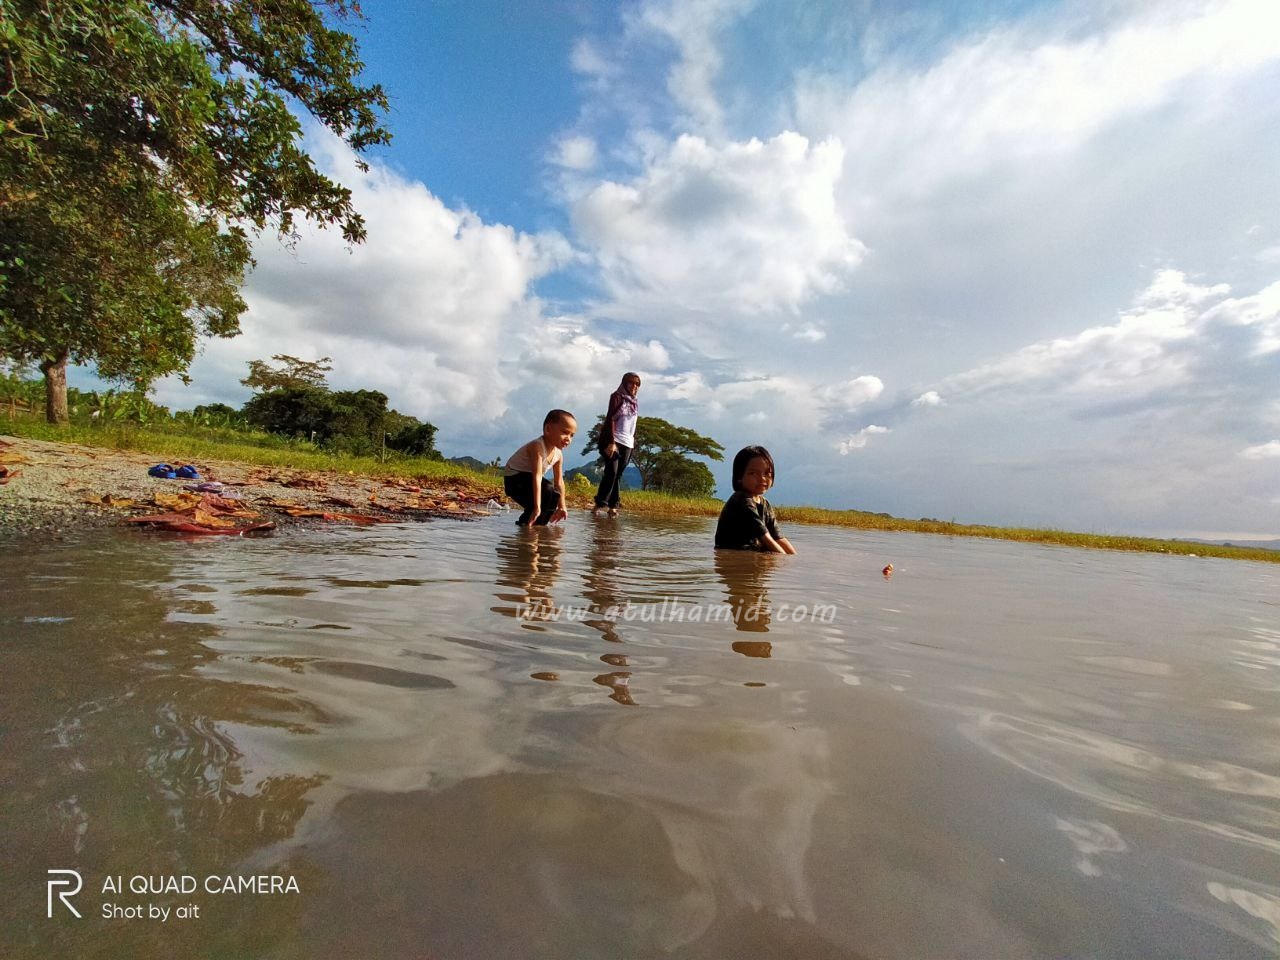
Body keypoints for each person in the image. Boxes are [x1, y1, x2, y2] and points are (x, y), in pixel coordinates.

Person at [714, 445, 797, 554]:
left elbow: (778, 538)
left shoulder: (765, 504)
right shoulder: (742, 501)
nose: (762, 478)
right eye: (753, 473)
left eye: (767, 473)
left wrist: (794, 559)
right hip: (735, 556)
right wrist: (783, 560)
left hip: (751, 554)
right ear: (740, 477)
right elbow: (766, 539)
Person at [504, 409, 576, 526]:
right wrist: (537, 507)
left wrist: (562, 506)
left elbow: (559, 482)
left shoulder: (558, 454)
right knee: (547, 489)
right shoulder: (537, 446)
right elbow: (537, 477)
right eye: (565, 432)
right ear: (548, 429)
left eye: (572, 435)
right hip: (514, 481)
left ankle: (536, 527)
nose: (568, 438)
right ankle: (527, 523)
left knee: (554, 495)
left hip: (530, 483)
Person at [592, 372, 641, 518]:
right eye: (631, 383)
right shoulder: (617, 396)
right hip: (615, 441)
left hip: (628, 443)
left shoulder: (634, 402)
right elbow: (610, 419)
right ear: (624, 384)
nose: (634, 387)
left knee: (618, 475)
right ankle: (600, 504)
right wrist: (611, 442)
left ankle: (613, 506)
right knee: (611, 472)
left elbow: (632, 425)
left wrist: (633, 444)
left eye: (637, 384)